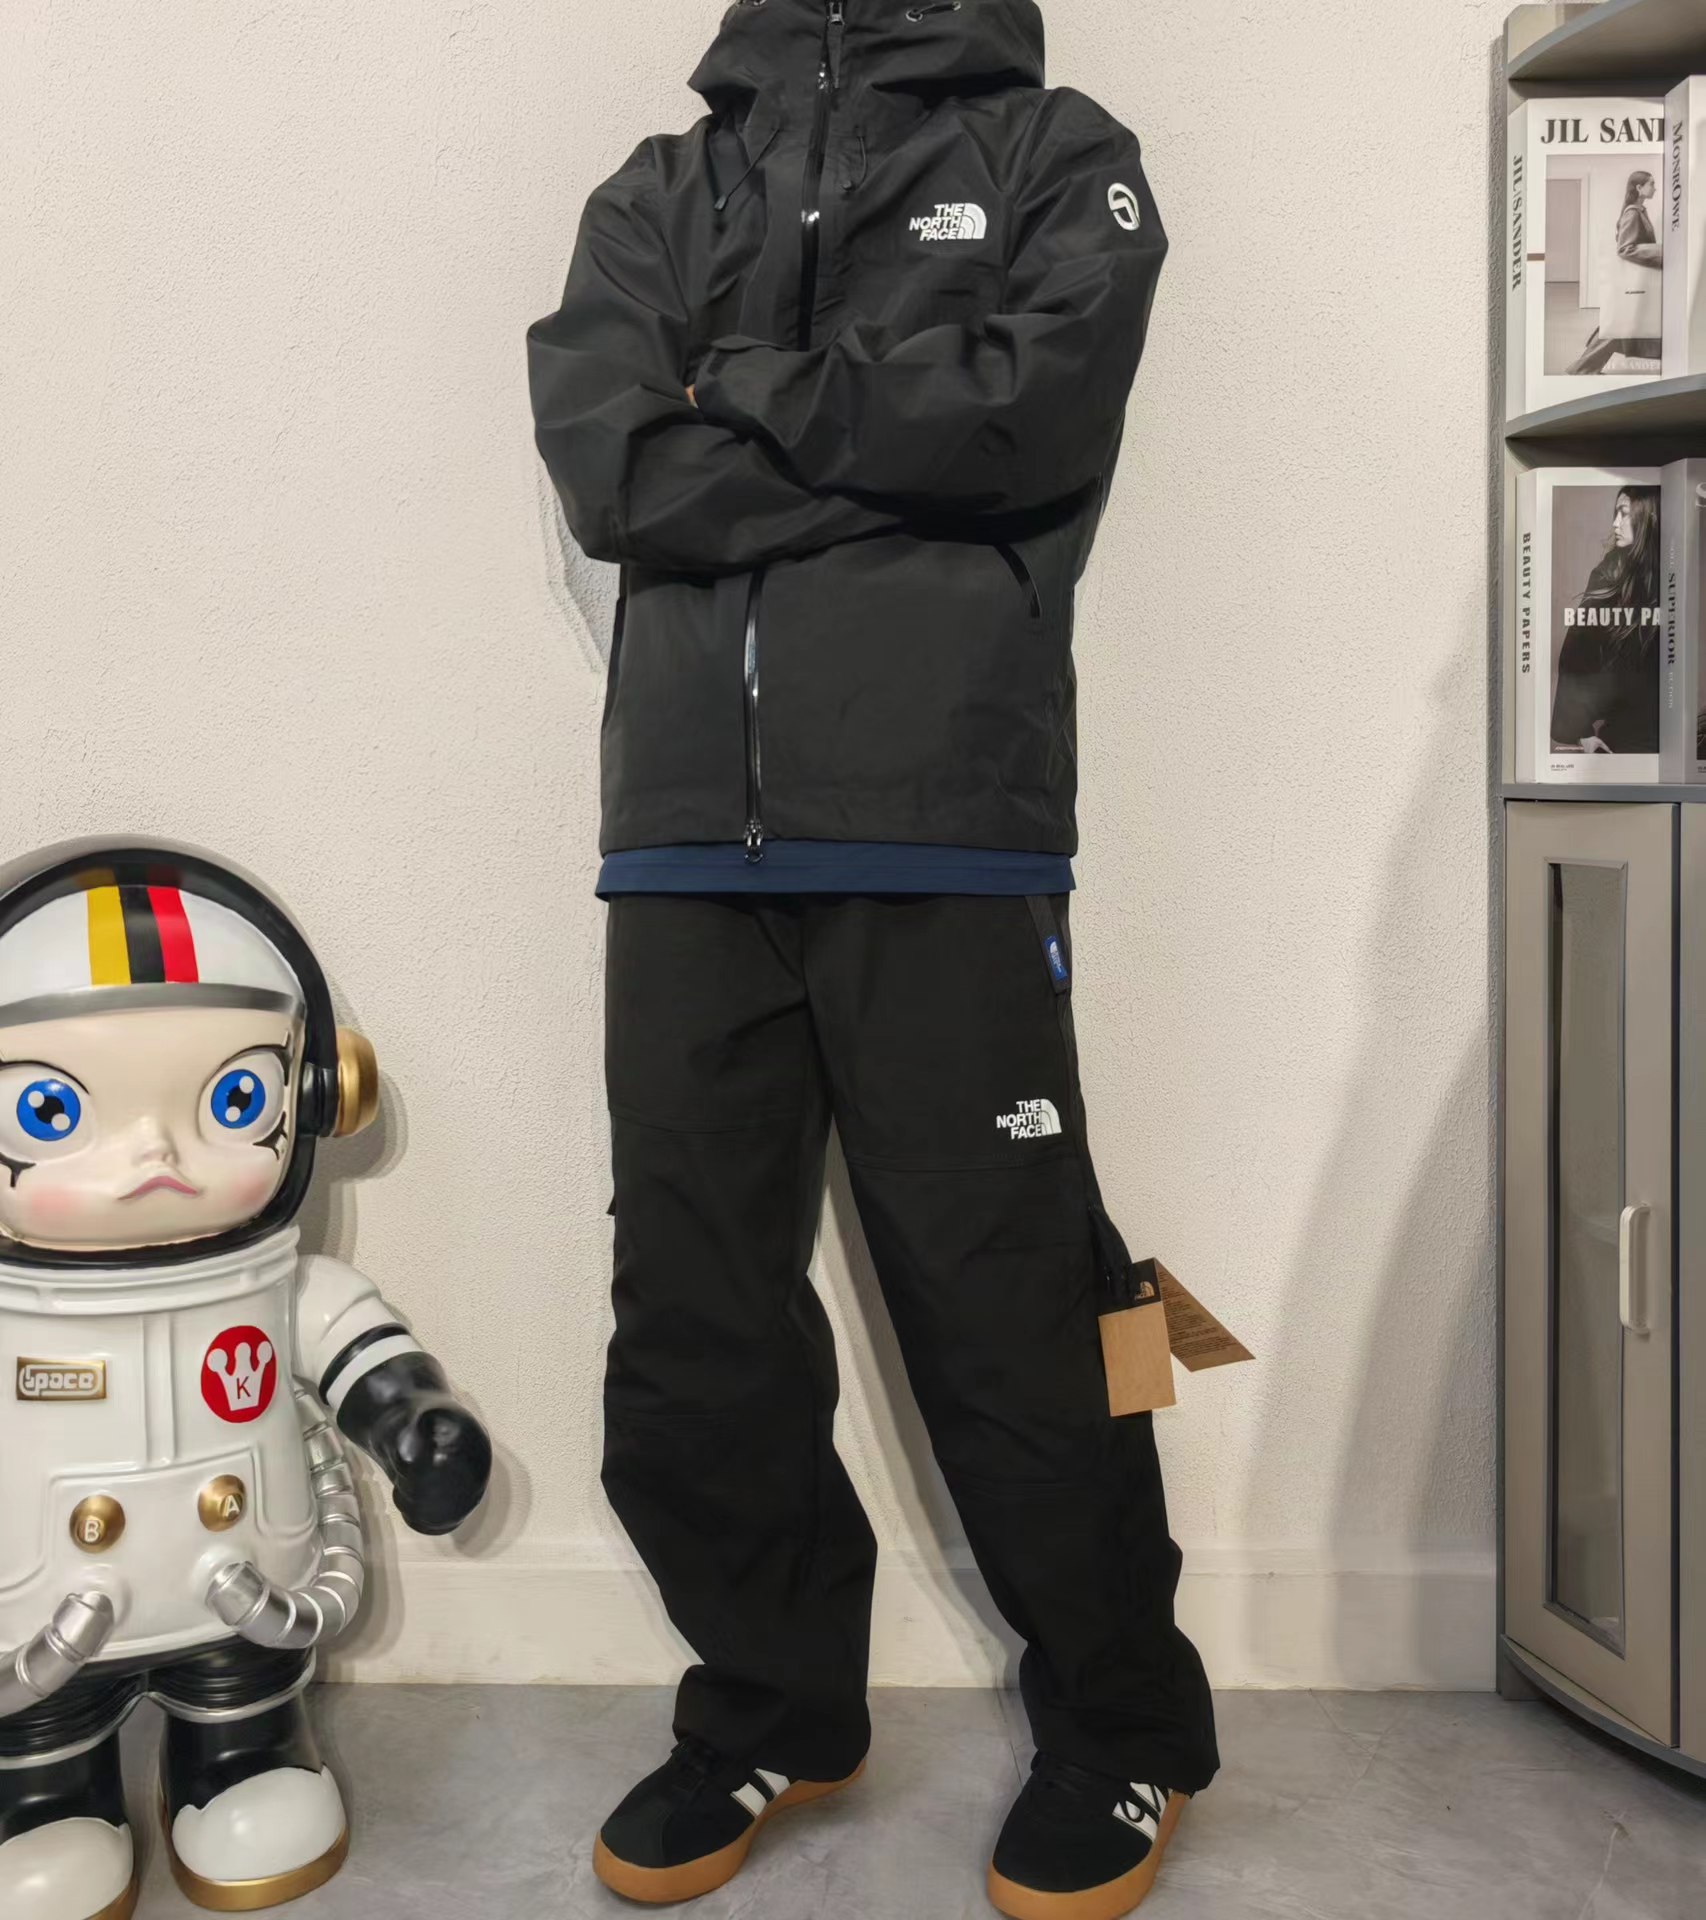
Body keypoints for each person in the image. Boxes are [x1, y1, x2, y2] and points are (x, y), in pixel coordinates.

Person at [528, 3, 1217, 1914]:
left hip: (946, 828)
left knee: (1027, 1304)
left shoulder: (1057, 155)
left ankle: (1127, 1725)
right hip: (683, 844)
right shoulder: (661, 190)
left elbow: (1031, 419)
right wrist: (893, 432)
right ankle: (771, 1702)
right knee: (691, 1324)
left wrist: (740, 389)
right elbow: (615, 472)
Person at [0, 843, 491, 1920]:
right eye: (52, 1112)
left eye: (231, 1098)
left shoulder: (282, 1290)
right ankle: (44, 1801)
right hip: (35, 1625)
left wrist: (415, 1421)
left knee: (248, 1718)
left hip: (243, 1598)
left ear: (317, 1096)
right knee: (35, 1753)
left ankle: (241, 1761)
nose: (157, 1156)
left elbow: (357, 1347)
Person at [1550, 486, 1660, 756]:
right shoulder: (1611, 573)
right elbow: (1576, 652)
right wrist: (1582, 732)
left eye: (1624, 514)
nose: (1615, 524)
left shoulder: (1675, 569)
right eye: (1616, 513)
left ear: (1648, 518)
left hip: (1673, 734)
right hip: (1627, 740)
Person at [1566, 169, 1663, 375]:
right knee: (1617, 327)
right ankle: (1581, 369)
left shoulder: (1639, 211)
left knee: (1620, 325)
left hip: (1638, 281)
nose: (1655, 188)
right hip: (1634, 282)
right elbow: (1625, 249)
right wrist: (1661, 252)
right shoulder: (1632, 213)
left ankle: (1584, 369)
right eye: (1652, 184)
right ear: (1639, 187)